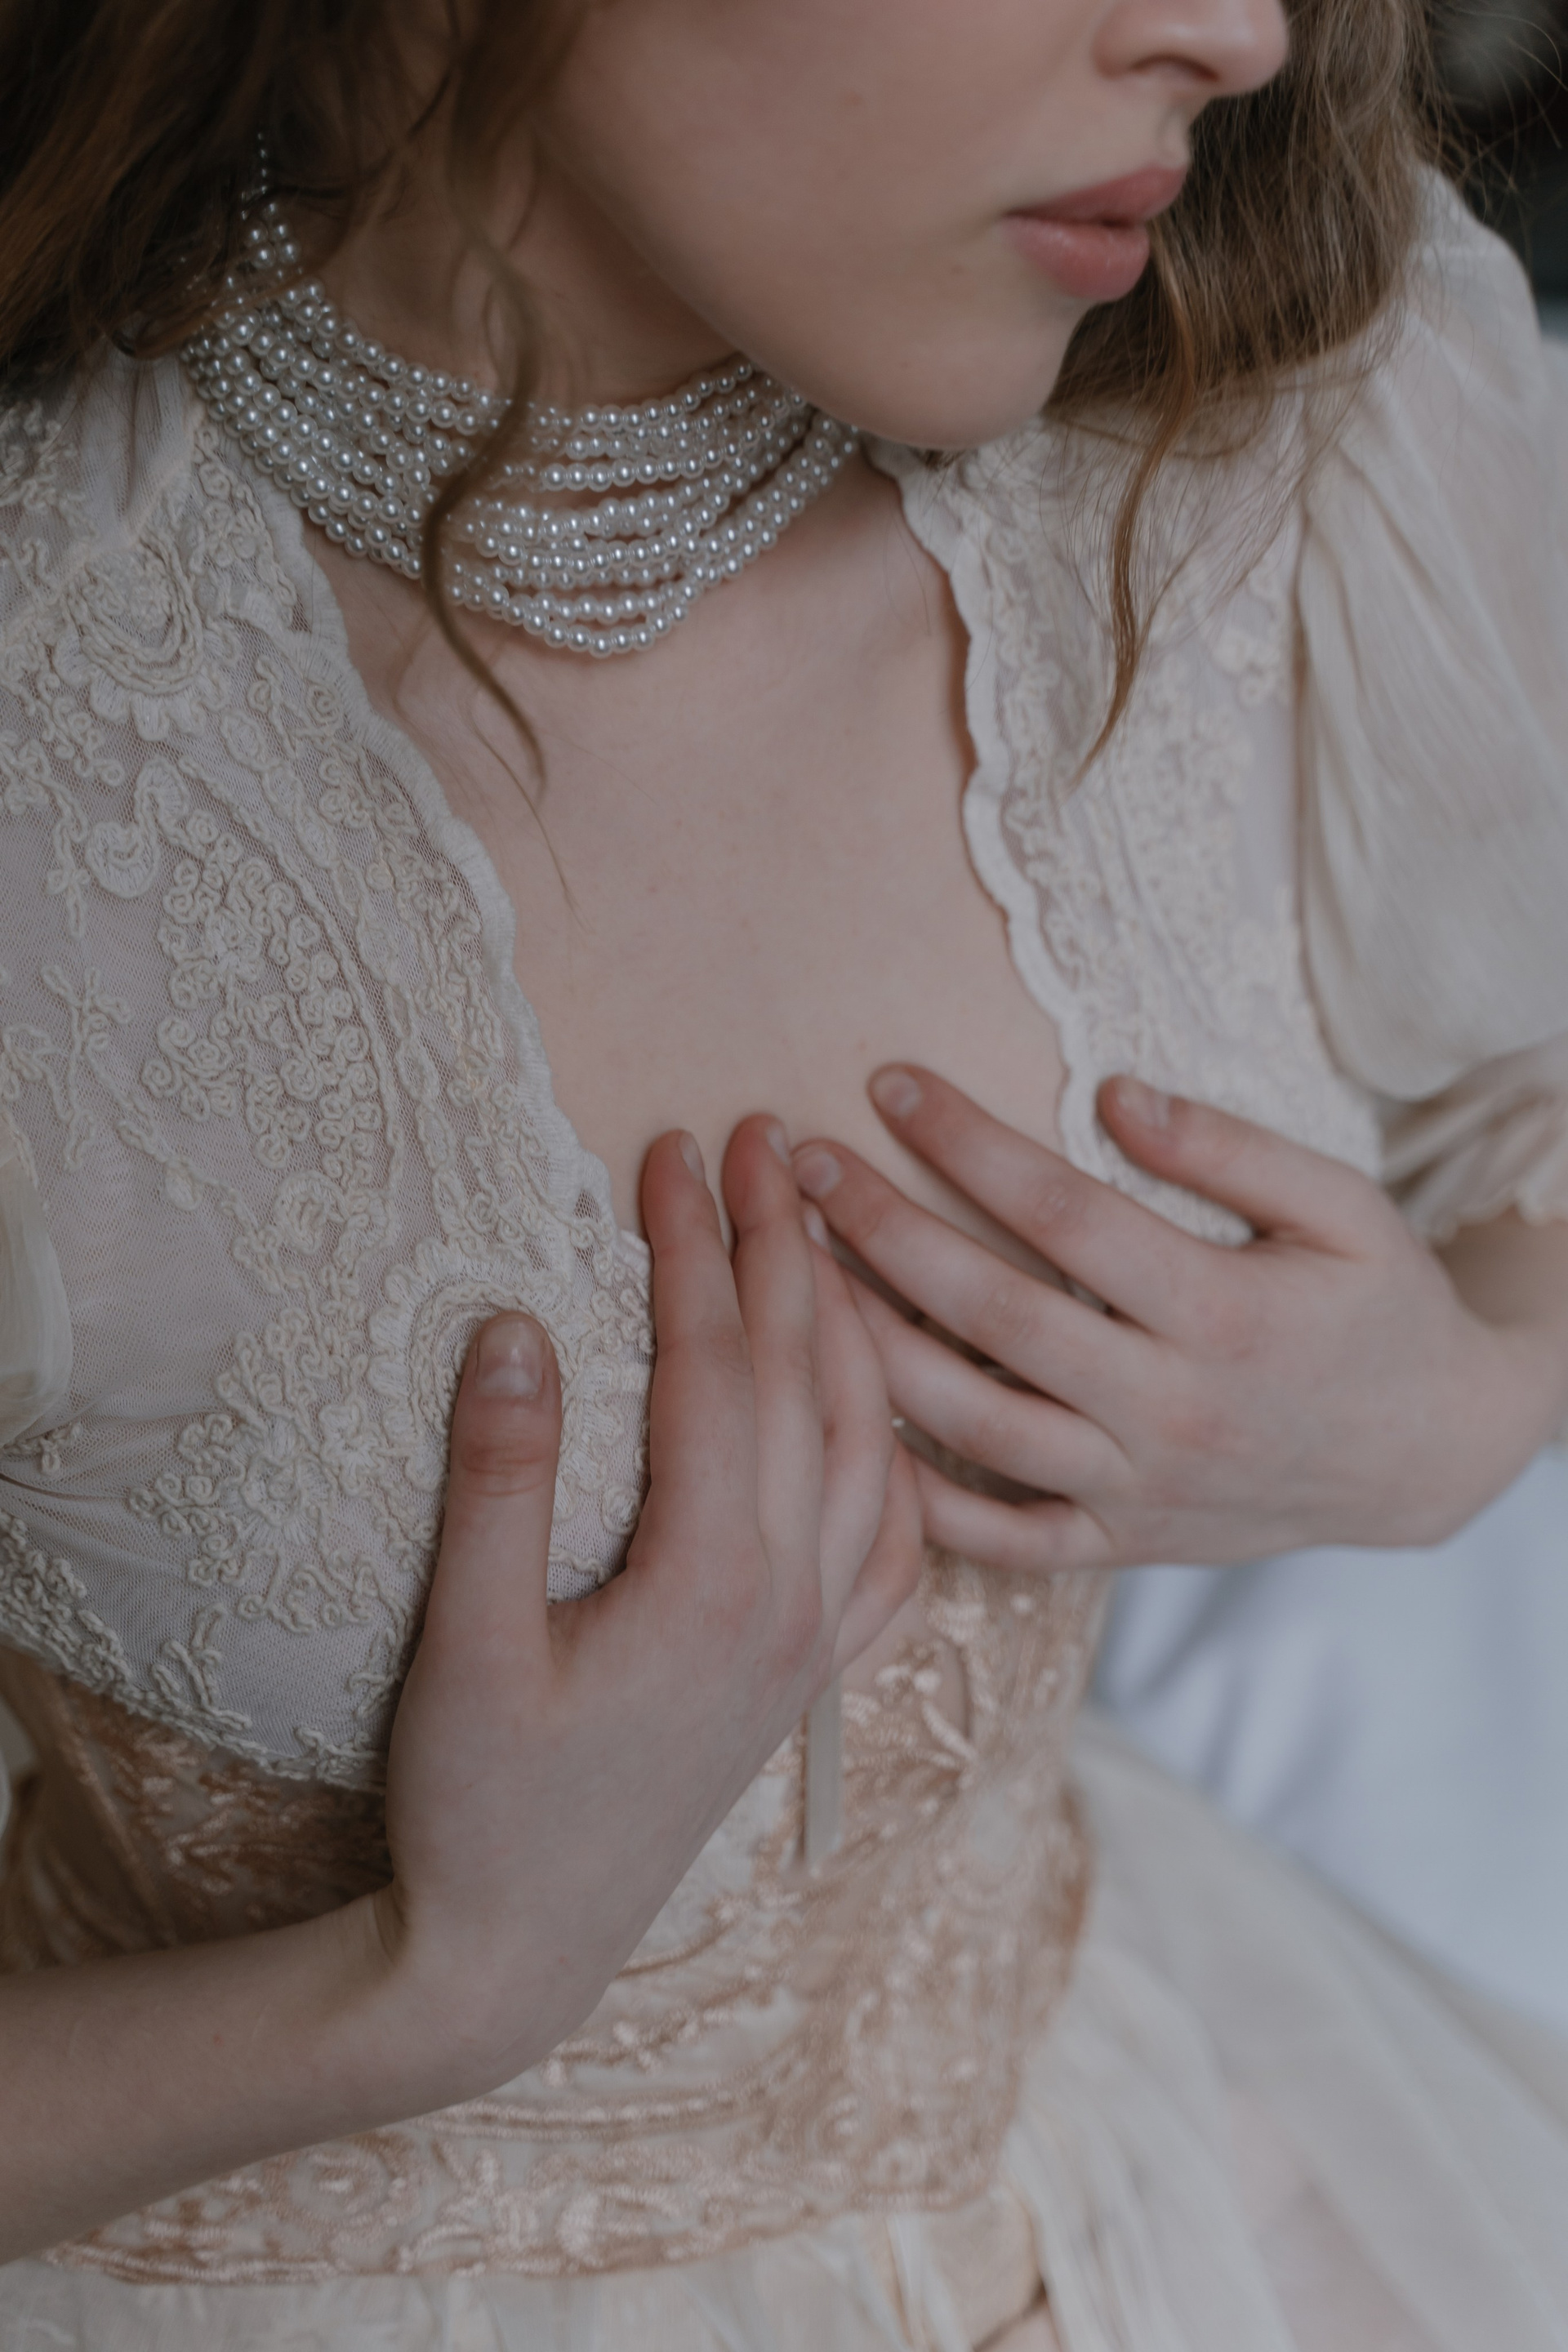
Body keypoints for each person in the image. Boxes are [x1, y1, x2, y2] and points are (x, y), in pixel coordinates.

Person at [1, 1, 1567, 2346]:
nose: (1240, 31)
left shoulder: (1282, 414)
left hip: (1168, 2191)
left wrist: (1469, 1400)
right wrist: (422, 1992)